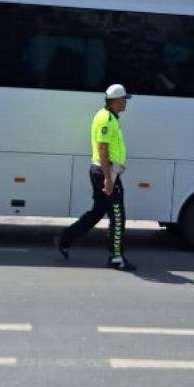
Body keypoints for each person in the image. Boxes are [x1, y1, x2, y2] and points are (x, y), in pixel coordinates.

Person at [54, 84, 136, 271]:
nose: (126, 102)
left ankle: (63, 240)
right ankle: (117, 258)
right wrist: (108, 178)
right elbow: (102, 148)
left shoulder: (109, 116)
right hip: (106, 172)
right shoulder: (106, 119)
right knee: (117, 215)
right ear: (116, 100)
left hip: (103, 171)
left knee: (98, 211)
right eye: (124, 99)